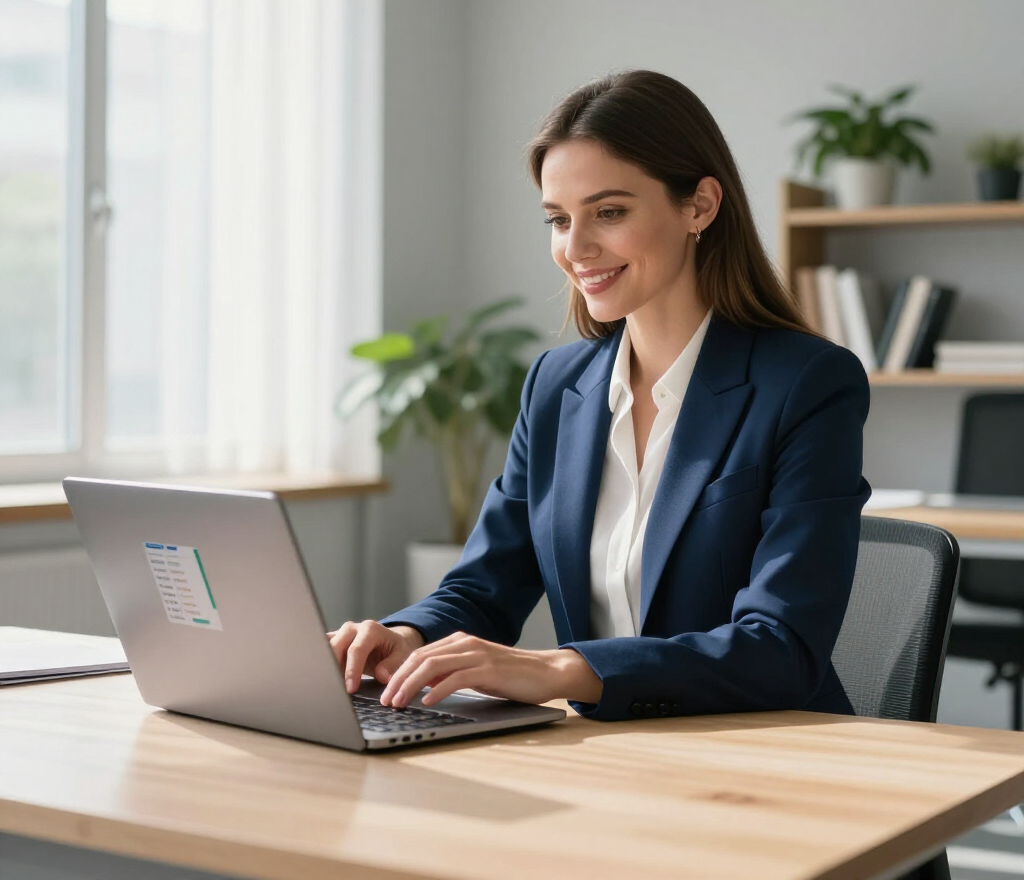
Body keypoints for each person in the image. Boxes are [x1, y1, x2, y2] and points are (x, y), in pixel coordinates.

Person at [330, 69, 870, 722]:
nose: (575, 248)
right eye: (559, 219)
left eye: (609, 212)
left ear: (699, 205)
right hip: (609, 756)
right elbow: (484, 584)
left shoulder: (806, 383)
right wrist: (406, 637)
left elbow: (781, 647)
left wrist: (560, 668)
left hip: (765, 752)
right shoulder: (557, 386)